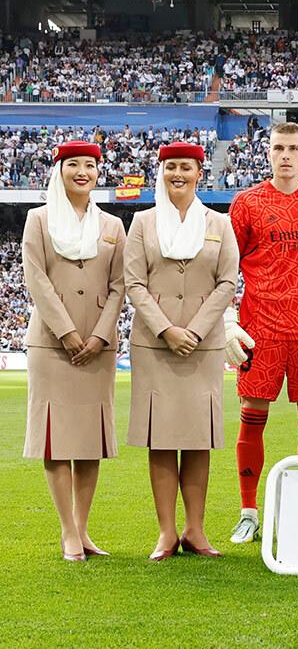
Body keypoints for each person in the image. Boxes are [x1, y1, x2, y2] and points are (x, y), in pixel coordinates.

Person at [227, 122, 298, 545]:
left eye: (294, 148)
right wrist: (227, 320)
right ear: (268, 153)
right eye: (279, 147)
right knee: (252, 418)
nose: (286, 155)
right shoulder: (247, 203)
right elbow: (226, 266)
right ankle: (248, 511)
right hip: (259, 329)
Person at [125, 142, 239, 560]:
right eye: (171, 166)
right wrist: (167, 330)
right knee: (161, 439)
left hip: (202, 345)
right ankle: (166, 533)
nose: (178, 174)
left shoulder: (219, 223)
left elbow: (227, 282)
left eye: (186, 167)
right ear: (161, 171)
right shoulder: (142, 222)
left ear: (198, 174)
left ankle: (196, 530)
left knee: (196, 439)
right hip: (154, 345)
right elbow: (134, 282)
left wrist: (193, 330)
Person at [22, 141, 125, 562]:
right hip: (51, 344)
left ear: (98, 173)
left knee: (89, 441)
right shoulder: (38, 220)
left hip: (98, 347)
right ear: (59, 170)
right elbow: (36, 280)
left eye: (90, 165)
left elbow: (120, 286)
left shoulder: (113, 226)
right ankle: (67, 531)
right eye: (74, 165)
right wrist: (66, 332)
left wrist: (101, 335)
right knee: (56, 440)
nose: (82, 172)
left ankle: (83, 531)